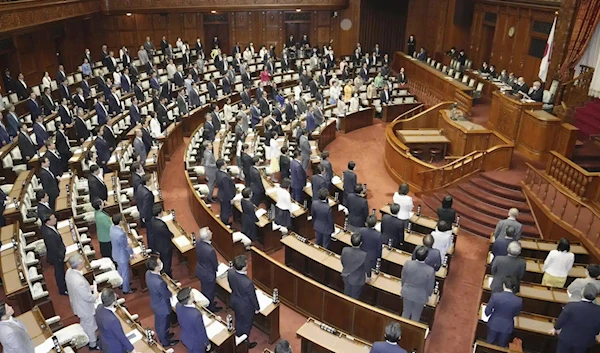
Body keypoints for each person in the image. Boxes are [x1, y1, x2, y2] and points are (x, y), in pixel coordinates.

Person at [551, 283, 600, 353]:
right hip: (584, 341)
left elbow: (561, 320)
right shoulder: (598, 310)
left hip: (566, 338)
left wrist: (555, 328)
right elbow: (597, 328)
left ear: (582, 293)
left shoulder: (571, 306)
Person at [65, 254, 100, 351]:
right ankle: (93, 344)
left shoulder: (69, 272)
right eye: (83, 262)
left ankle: (86, 336)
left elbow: (78, 290)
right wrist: (95, 295)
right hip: (84, 307)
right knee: (90, 325)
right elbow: (88, 298)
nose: (84, 262)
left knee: (85, 323)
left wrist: (88, 288)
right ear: (79, 265)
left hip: (77, 303)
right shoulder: (79, 281)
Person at [228, 255, 260, 348]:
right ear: (244, 267)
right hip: (245, 307)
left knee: (238, 319)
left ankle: (237, 335)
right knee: (246, 325)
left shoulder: (230, 272)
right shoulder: (248, 283)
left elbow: (231, 285)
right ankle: (244, 342)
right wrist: (257, 308)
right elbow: (253, 297)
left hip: (235, 301)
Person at [146, 257, 179, 347]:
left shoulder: (148, 273)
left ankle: (165, 336)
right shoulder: (159, 283)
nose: (161, 263)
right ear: (156, 267)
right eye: (159, 262)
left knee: (160, 323)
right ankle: (165, 342)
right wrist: (171, 292)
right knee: (163, 325)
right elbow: (167, 294)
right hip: (162, 306)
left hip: (155, 302)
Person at [96, 288, 141, 353]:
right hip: (115, 349)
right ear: (113, 302)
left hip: (105, 343)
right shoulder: (113, 320)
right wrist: (133, 350)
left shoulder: (99, 308)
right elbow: (121, 337)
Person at [485, 276, 522, 348]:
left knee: (489, 344)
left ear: (503, 285)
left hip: (494, 324)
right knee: (502, 347)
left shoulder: (495, 296)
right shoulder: (519, 301)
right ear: (514, 287)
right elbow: (516, 313)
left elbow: (487, 311)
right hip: (507, 327)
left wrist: (488, 313)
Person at [401, 246, 435, 321]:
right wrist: (428, 294)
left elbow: (403, 278)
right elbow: (430, 287)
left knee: (405, 312)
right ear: (426, 258)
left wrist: (404, 287)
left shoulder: (407, 264)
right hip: (420, 296)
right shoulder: (430, 271)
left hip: (407, 292)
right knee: (416, 316)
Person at [194, 227, 222, 312]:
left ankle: (208, 302)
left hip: (200, 269)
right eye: (210, 233)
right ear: (207, 237)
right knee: (210, 292)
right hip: (208, 274)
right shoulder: (210, 251)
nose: (212, 233)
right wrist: (217, 268)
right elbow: (214, 264)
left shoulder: (198, 241)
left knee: (204, 288)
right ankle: (209, 309)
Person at [176, 287, 211, 353]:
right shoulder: (196, 315)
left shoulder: (178, 305)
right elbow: (201, 331)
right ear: (189, 300)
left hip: (186, 336)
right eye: (192, 294)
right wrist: (207, 343)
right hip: (196, 342)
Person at [110, 213, 136, 294]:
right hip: (122, 256)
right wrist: (132, 253)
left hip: (115, 253)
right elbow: (126, 246)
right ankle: (126, 289)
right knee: (125, 273)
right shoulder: (121, 234)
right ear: (120, 222)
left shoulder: (112, 227)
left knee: (120, 270)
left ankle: (121, 284)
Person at [41, 214, 67, 295]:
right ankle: (63, 289)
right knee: (59, 272)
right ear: (48, 221)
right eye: (53, 218)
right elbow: (54, 249)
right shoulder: (50, 235)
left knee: (60, 271)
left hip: (57, 252)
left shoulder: (47, 227)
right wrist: (62, 258)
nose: (55, 219)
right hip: (57, 257)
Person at [341, 232, 370, 299]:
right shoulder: (364, 255)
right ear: (361, 243)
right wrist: (368, 276)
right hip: (357, 280)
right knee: (354, 298)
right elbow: (367, 268)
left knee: (346, 295)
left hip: (346, 276)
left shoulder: (345, 250)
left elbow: (342, 261)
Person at [150, 204, 174, 277]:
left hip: (158, 243)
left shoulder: (153, 219)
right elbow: (167, 233)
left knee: (163, 260)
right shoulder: (161, 225)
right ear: (159, 213)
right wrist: (172, 235)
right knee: (167, 262)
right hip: (165, 246)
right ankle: (169, 277)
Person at [216, 159, 235, 225]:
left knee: (223, 209)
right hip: (225, 196)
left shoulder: (218, 172)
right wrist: (231, 198)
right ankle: (225, 224)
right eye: (225, 163)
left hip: (221, 194)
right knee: (225, 211)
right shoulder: (224, 177)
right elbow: (227, 189)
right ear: (222, 166)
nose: (226, 164)